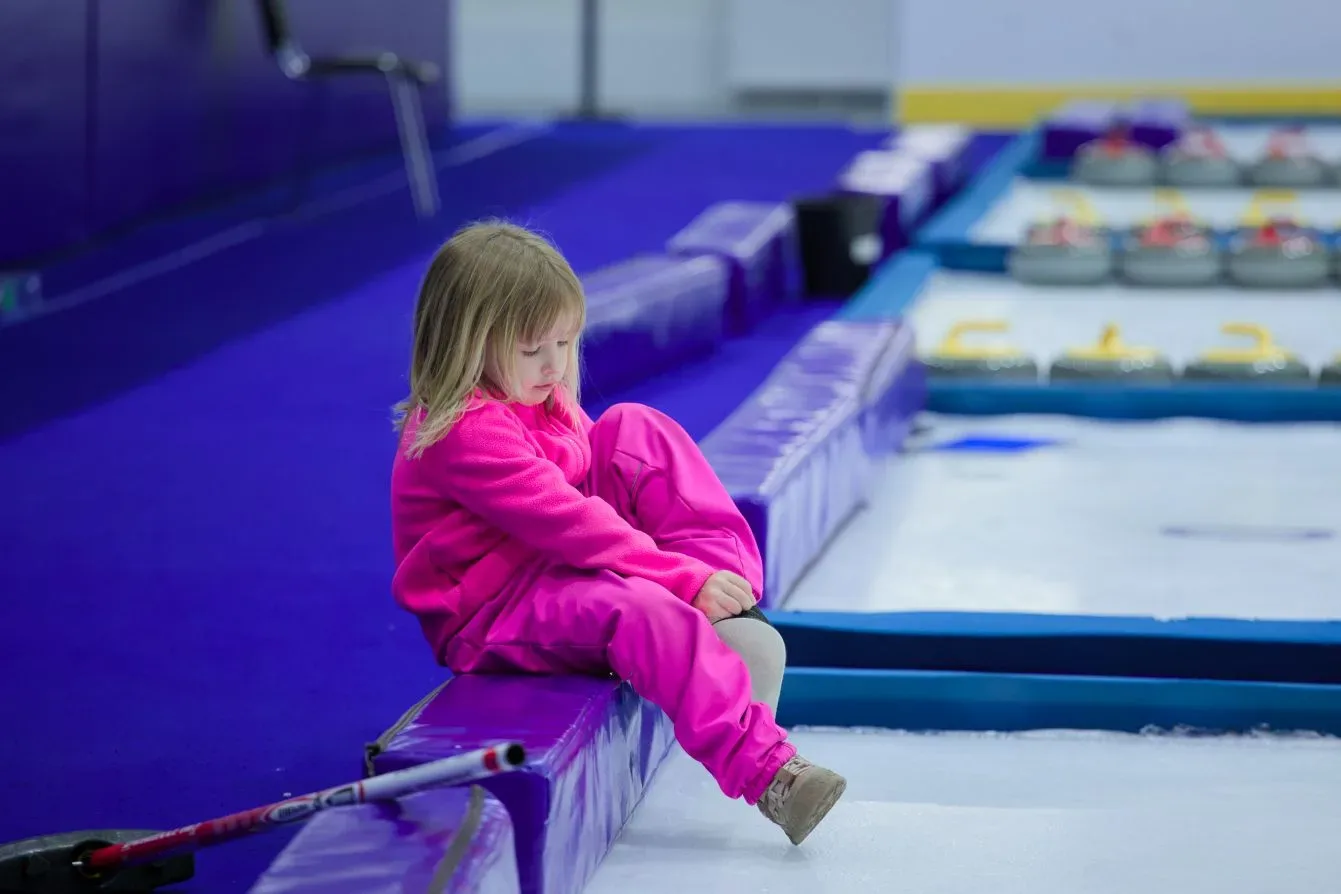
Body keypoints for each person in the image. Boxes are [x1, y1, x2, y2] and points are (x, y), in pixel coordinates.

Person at [389, 220, 846, 845]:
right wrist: (678, 580)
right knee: (639, 612)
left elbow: (589, 488)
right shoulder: (464, 432)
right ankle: (768, 772)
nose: (555, 364)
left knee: (636, 426)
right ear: (470, 343)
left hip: (545, 562)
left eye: (565, 342)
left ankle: (730, 604)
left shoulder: (537, 396)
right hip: (494, 610)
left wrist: (695, 576)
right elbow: (570, 522)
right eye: (533, 349)